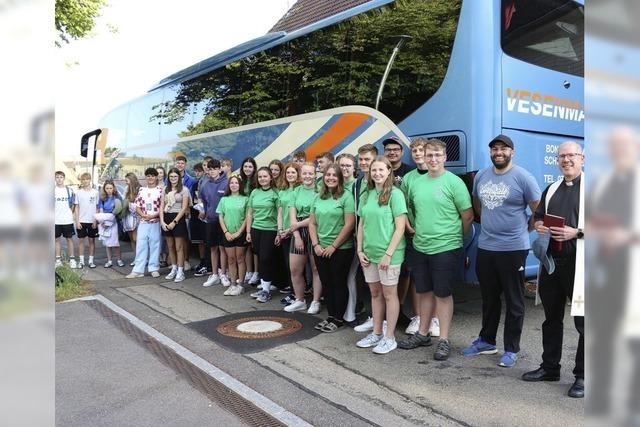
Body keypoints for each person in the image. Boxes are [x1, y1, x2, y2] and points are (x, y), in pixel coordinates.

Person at [462, 134, 541, 368]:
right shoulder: (482, 176)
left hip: (513, 249)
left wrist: (523, 232)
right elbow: (478, 205)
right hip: (486, 247)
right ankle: (486, 340)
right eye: (495, 149)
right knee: (489, 297)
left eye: (503, 149)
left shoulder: (523, 177)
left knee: (514, 300)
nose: (498, 152)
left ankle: (511, 349)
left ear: (512, 152)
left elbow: (537, 211)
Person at [397, 139, 473, 360]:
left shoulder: (454, 182)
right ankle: (422, 334)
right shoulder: (416, 182)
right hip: (421, 245)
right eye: (429, 155)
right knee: (423, 292)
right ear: (423, 157)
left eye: (437, 155)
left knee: (443, 293)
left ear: (445, 157)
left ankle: (444, 339)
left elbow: (467, 215)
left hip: (446, 247)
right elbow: (410, 209)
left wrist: (455, 238)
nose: (433, 159)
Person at [521, 141, 585, 398]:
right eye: (562, 156)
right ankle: (550, 368)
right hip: (551, 265)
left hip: (582, 266)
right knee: (551, 319)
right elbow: (537, 216)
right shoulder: (552, 188)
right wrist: (537, 225)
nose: (566, 160)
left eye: (571, 155)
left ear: (582, 158)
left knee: (585, 324)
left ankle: (582, 376)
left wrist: (577, 232)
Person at [355, 157, 407, 354]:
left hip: (389, 255)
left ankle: (389, 337)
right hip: (369, 253)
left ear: (388, 171)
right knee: (375, 294)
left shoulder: (395, 194)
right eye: (373, 170)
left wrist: (388, 254)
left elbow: (400, 227)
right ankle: (376, 333)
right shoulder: (366, 194)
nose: (377, 173)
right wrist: (360, 250)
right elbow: (362, 224)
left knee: (389, 295)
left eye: (381, 170)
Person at [309, 163, 355, 332]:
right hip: (320, 248)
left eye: (334, 175)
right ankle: (330, 315)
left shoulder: (346, 196)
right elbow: (312, 223)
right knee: (326, 283)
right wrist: (316, 244)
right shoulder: (317, 197)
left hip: (341, 249)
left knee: (338, 283)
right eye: (328, 175)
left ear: (340, 178)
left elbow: (349, 224)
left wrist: (334, 246)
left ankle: (338, 318)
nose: (330, 178)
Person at [399, 138, 435, 336]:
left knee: (435, 278)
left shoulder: (437, 174)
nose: (418, 154)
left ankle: (435, 319)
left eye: (421, 150)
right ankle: (419, 316)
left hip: (435, 237)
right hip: (414, 235)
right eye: (415, 151)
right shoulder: (409, 178)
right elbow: (402, 207)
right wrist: (408, 226)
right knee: (416, 277)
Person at [286, 162, 322, 314]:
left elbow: (316, 216)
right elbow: (292, 216)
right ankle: (300, 300)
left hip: (314, 229)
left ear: (315, 174)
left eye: (310, 173)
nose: (307, 176)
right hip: (298, 232)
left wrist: (298, 225)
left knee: (315, 268)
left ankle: (315, 301)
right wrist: (297, 235)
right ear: (300, 175)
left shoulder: (321, 191)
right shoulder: (295, 192)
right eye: (304, 173)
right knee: (295, 269)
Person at [352, 144, 379, 332]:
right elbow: (358, 216)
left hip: (381, 242)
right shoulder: (357, 184)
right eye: (360, 159)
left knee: (384, 287)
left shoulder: (385, 183)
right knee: (367, 282)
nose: (363, 163)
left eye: (367, 159)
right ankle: (372, 317)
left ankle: (383, 323)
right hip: (363, 239)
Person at [247, 167, 280, 303]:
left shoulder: (275, 193)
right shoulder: (254, 192)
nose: (262, 179)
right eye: (260, 177)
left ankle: (266, 290)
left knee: (266, 258)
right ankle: (264, 286)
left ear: (270, 177)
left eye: (265, 176)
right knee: (260, 258)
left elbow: (280, 213)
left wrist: (279, 231)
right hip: (256, 229)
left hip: (270, 229)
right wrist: (248, 231)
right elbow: (250, 213)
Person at [156, 168, 191, 282]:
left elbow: (184, 207)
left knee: (179, 247)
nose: (173, 179)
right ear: (168, 178)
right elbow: (161, 206)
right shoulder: (165, 190)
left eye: (175, 176)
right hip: (167, 217)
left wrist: (174, 222)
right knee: (170, 246)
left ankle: (181, 271)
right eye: (171, 177)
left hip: (178, 219)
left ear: (179, 177)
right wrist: (162, 221)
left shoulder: (184, 190)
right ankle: (174, 268)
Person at [217, 175, 249, 296]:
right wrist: (226, 232)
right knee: (231, 260)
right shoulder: (224, 199)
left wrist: (239, 232)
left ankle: (240, 285)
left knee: (240, 258)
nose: (234, 185)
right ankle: (233, 284)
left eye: (236, 183)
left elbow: (247, 217)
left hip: (240, 233)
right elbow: (221, 216)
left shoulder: (245, 199)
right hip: (228, 234)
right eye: (232, 183)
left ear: (240, 185)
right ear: (229, 185)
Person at [129, 168, 163, 277]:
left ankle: (153, 268)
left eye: (153, 176)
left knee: (155, 245)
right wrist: (142, 215)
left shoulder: (161, 190)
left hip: (155, 221)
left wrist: (154, 215)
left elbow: (162, 207)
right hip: (143, 222)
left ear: (156, 177)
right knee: (141, 245)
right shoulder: (142, 190)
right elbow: (137, 206)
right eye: (148, 176)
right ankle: (138, 270)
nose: (150, 178)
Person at [200, 159, 229, 287]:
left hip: (223, 221)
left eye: (214, 169)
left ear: (219, 169)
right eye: (210, 169)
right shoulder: (205, 186)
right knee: (213, 248)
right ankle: (214, 274)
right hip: (211, 220)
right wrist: (205, 212)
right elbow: (205, 204)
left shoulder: (226, 183)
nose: (212, 171)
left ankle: (223, 273)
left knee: (223, 248)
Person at [276, 162, 300, 296]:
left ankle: (298, 294)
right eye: (288, 172)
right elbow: (280, 212)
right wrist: (280, 231)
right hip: (284, 232)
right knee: (288, 265)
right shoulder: (282, 191)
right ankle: (292, 292)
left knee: (297, 268)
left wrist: (289, 230)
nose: (290, 175)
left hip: (296, 232)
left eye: (293, 172)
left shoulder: (300, 190)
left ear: (298, 174)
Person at [95, 179, 125, 268]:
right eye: (107, 188)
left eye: (110, 188)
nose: (109, 190)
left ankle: (119, 260)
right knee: (107, 243)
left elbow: (119, 211)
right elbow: (101, 210)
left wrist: (111, 220)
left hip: (114, 222)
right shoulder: (102, 198)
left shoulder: (117, 198)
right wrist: (103, 222)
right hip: (105, 223)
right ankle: (109, 261)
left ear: (113, 188)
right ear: (104, 189)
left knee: (115, 242)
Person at [240, 156, 259, 284]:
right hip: (242, 217)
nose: (247, 169)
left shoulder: (256, 182)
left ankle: (257, 273)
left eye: (250, 167)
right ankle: (249, 271)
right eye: (245, 166)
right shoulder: (240, 181)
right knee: (246, 246)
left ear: (254, 168)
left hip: (254, 216)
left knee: (254, 247)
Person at [74, 172, 98, 269]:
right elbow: (76, 207)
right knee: (81, 241)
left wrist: (95, 220)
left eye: (87, 179)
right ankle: (81, 261)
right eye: (83, 179)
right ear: (81, 181)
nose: (85, 181)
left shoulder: (95, 192)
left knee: (92, 241)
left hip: (92, 221)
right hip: (82, 220)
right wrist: (77, 221)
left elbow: (97, 208)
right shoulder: (78, 192)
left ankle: (91, 261)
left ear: (90, 180)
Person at [54, 171, 77, 268]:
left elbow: (73, 204)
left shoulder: (70, 190)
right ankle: (58, 260)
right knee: (56, 240)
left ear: (64, 178)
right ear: (55, 179)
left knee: (69, 239)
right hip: (55, 220)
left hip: (67, 220)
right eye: (57, 177)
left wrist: (69, 213)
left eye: (61, 177)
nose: (59, 179)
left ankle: (72, 259)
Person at [191, 162, 210, 277]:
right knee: (200, 240)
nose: (197, 173)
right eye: (196, 171)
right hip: (198, 213)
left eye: (200, 171)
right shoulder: (197, 183)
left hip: (208, 215)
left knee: (208, 242)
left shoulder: (210, 181)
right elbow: (196, 198)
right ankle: (203, 261)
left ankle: (208, 265)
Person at [122, 172, 141, 266]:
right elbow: (124, 199)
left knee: (136, 238)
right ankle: (136, 258)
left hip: (137, 215)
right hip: (128, 215)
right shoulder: (126, 189)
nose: (125, 182)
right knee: (131, 239)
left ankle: (142, 258)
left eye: (127, 180)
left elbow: (140, 203)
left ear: (131, 179)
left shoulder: (139, 188)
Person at [156, 166, 170, 268]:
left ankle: (165, 259)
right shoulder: (152, 186)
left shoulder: (167, 186)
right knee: (157, 238)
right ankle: (159, 258)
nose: (159, 175)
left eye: (161, 173)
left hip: (165, 213)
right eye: (157, 173)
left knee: (165, 238)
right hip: (154, 215)